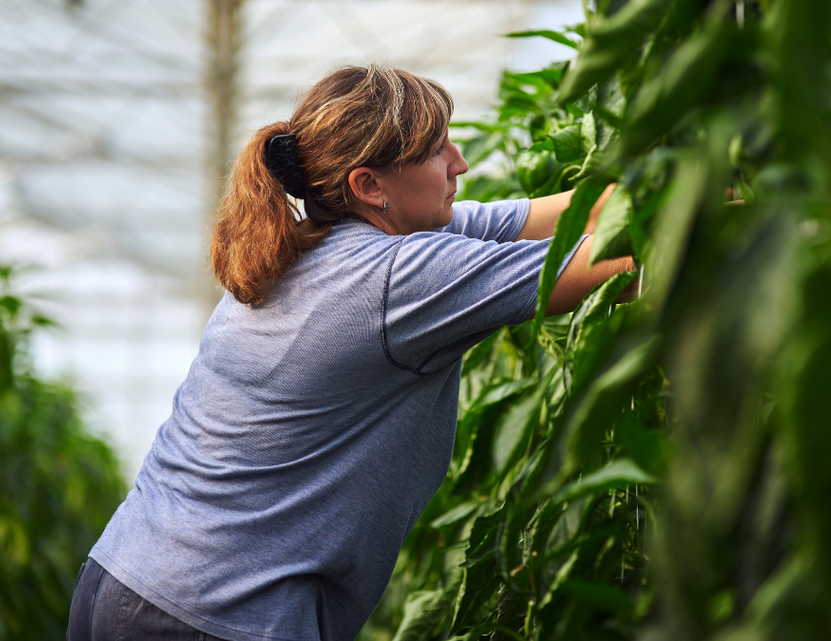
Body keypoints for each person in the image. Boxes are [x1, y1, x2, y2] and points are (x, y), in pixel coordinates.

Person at [67, 65, 634, 641]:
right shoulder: (391, 279)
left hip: (123, 577)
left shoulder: (319, 245)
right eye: (437, 151)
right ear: (369, 186)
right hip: (215, 612)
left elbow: (573, 215)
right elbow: (602, 265)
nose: (460, 163)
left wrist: (678, 180)